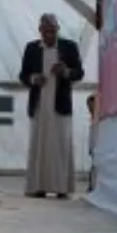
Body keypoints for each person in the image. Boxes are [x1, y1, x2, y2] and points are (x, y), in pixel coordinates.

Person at [19, 13, 83, 199]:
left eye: (52, 31)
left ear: (58, 30)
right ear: (40, 31)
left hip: (60, 104)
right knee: (39, 146)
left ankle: (62, 188)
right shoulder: (31, 49)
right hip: (39, 105)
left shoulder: (69, 47)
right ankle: (38, 186)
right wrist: (33, 79)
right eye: (45, 31)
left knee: (61, 146)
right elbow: (23, 75)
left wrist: (65, 72)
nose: (49, 36)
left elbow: (79, 73)